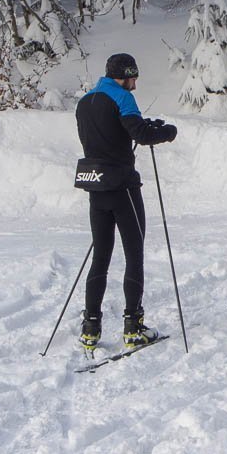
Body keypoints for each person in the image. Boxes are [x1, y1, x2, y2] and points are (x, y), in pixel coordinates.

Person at [74, 53, 177, 351]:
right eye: (134, 78)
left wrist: (141, 128)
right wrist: (166, 132)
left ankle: (90, 327)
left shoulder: (86, 102)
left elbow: (107, 137)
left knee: (101, 258)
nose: (135, 84)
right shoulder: (122, 97)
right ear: (125, 75)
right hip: (123, 188)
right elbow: (140, 135)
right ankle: (133, 326)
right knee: (134, 254)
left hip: (97, 188)